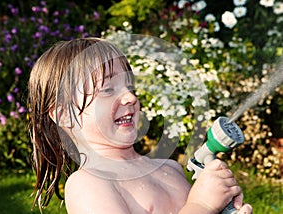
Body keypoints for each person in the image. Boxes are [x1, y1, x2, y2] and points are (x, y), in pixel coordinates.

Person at [28, 37, 252, 214]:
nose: (130, 97)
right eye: (108, 90)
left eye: (129, 86)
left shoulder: (170, 169)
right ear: (64, 114)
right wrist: (202, 206)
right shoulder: (88, 184)